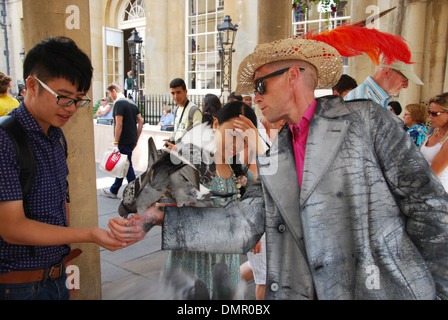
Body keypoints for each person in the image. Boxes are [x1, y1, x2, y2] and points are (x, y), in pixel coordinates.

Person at [110, 36, 448, 300]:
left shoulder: (367, 121)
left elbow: (429, 207)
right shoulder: (274, 154)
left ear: (292, 77)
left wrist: (437, 290)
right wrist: (159, 217)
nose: (255, 98)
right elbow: (243, 223)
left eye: (260, 86)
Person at [0, 37, 127, 300]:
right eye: (64, 98)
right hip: (17, 286)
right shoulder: (5, 140)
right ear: (32, 86)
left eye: (78, 100)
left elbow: (60, 203)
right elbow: (12, 227)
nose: (71, 109)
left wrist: (66, 264)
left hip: (56, 277)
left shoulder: (56, 135)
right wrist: (90, 234)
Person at [165, 101, 257, 298]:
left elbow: (265, 191)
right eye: (232, 135)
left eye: (245, 140)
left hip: (227, 265)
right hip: (193, 263)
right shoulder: (192, 160)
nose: (237, 145)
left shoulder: (237, 169)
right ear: (216, 124)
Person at [101, 83, 144, 199]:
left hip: (123, 140)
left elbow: (118, 124)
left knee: (126, 164)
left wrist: (115, 143)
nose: (110, 96)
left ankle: (135, 191)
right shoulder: (131, 103)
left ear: (114, 91)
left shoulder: (119, 104)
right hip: (131, 138)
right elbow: (141, 121)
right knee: (123, 164)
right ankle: (114, 189)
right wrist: (136, 138)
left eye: (110, 93)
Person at [344, 60, 424, 109]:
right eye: (404, 79)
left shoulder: (375, 99)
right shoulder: (361, 100)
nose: (406, 85)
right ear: (387, 72)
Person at [420, 93, 448, 192]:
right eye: (429, 112)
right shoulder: (433, 131)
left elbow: (433, 173)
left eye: (435, 114)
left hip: (437, 193)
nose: (430, 117)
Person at [166, 78, 202, 147]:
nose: (175, 96)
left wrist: (175, 148)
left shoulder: (194, 110)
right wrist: (172, 140)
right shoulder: (176, 109)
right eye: (173, 93)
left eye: (178, 92)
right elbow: (178, 131)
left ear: (185, 92)